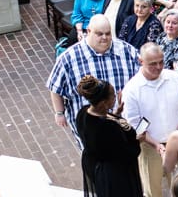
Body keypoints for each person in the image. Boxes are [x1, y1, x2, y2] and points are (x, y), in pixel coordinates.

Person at [73, 75, 147, 197]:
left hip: (95, 166)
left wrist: (115, 114)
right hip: (114, 174)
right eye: (113, 96)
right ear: (104, 102)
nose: (116, 98)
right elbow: (128, 152)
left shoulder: (82, 114)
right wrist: (136, 139)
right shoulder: (109, 128)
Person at [46, 14, 141, 143]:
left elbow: (141, 79)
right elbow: (55, 87)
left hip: (122, 125)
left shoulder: (127, 51)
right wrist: (59, 113)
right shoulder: (69, 58)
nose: (105, 38)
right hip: (89, 130)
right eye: (99, 34)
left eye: (108, 34)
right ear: (88, 31)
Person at [122, 42, 178, 197]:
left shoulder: (174, 78)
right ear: (140, 61)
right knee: (154, 192)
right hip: (150, 148)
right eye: (153, 64)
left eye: (161, 62)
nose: (158, 67)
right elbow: (136, 126)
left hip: (177, 143)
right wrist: (156, 145)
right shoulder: (133, 89)